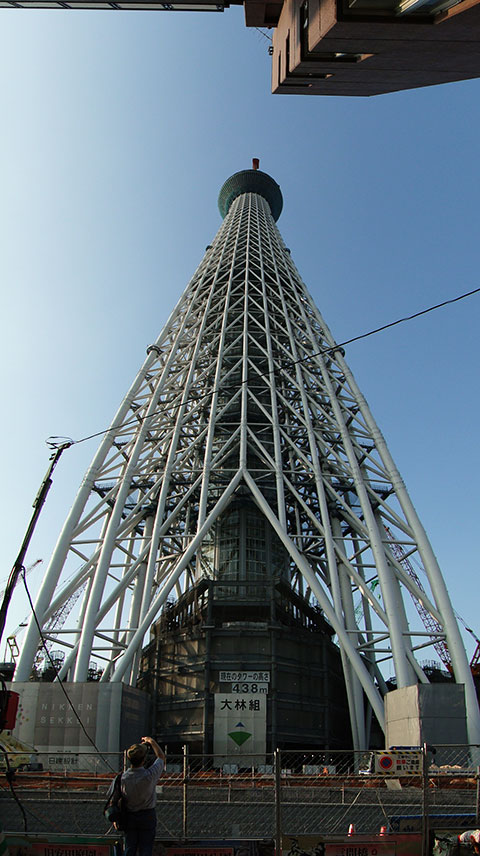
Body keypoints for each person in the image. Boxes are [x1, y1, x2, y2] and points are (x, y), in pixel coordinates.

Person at [120, 736, 166, 856]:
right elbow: (161, 757)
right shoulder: (149, 775)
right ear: (144, 759)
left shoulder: (122, 778)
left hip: (129, 815)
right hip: (147, 814)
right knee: (146, 848)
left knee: (129, 847)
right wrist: (152, 742)